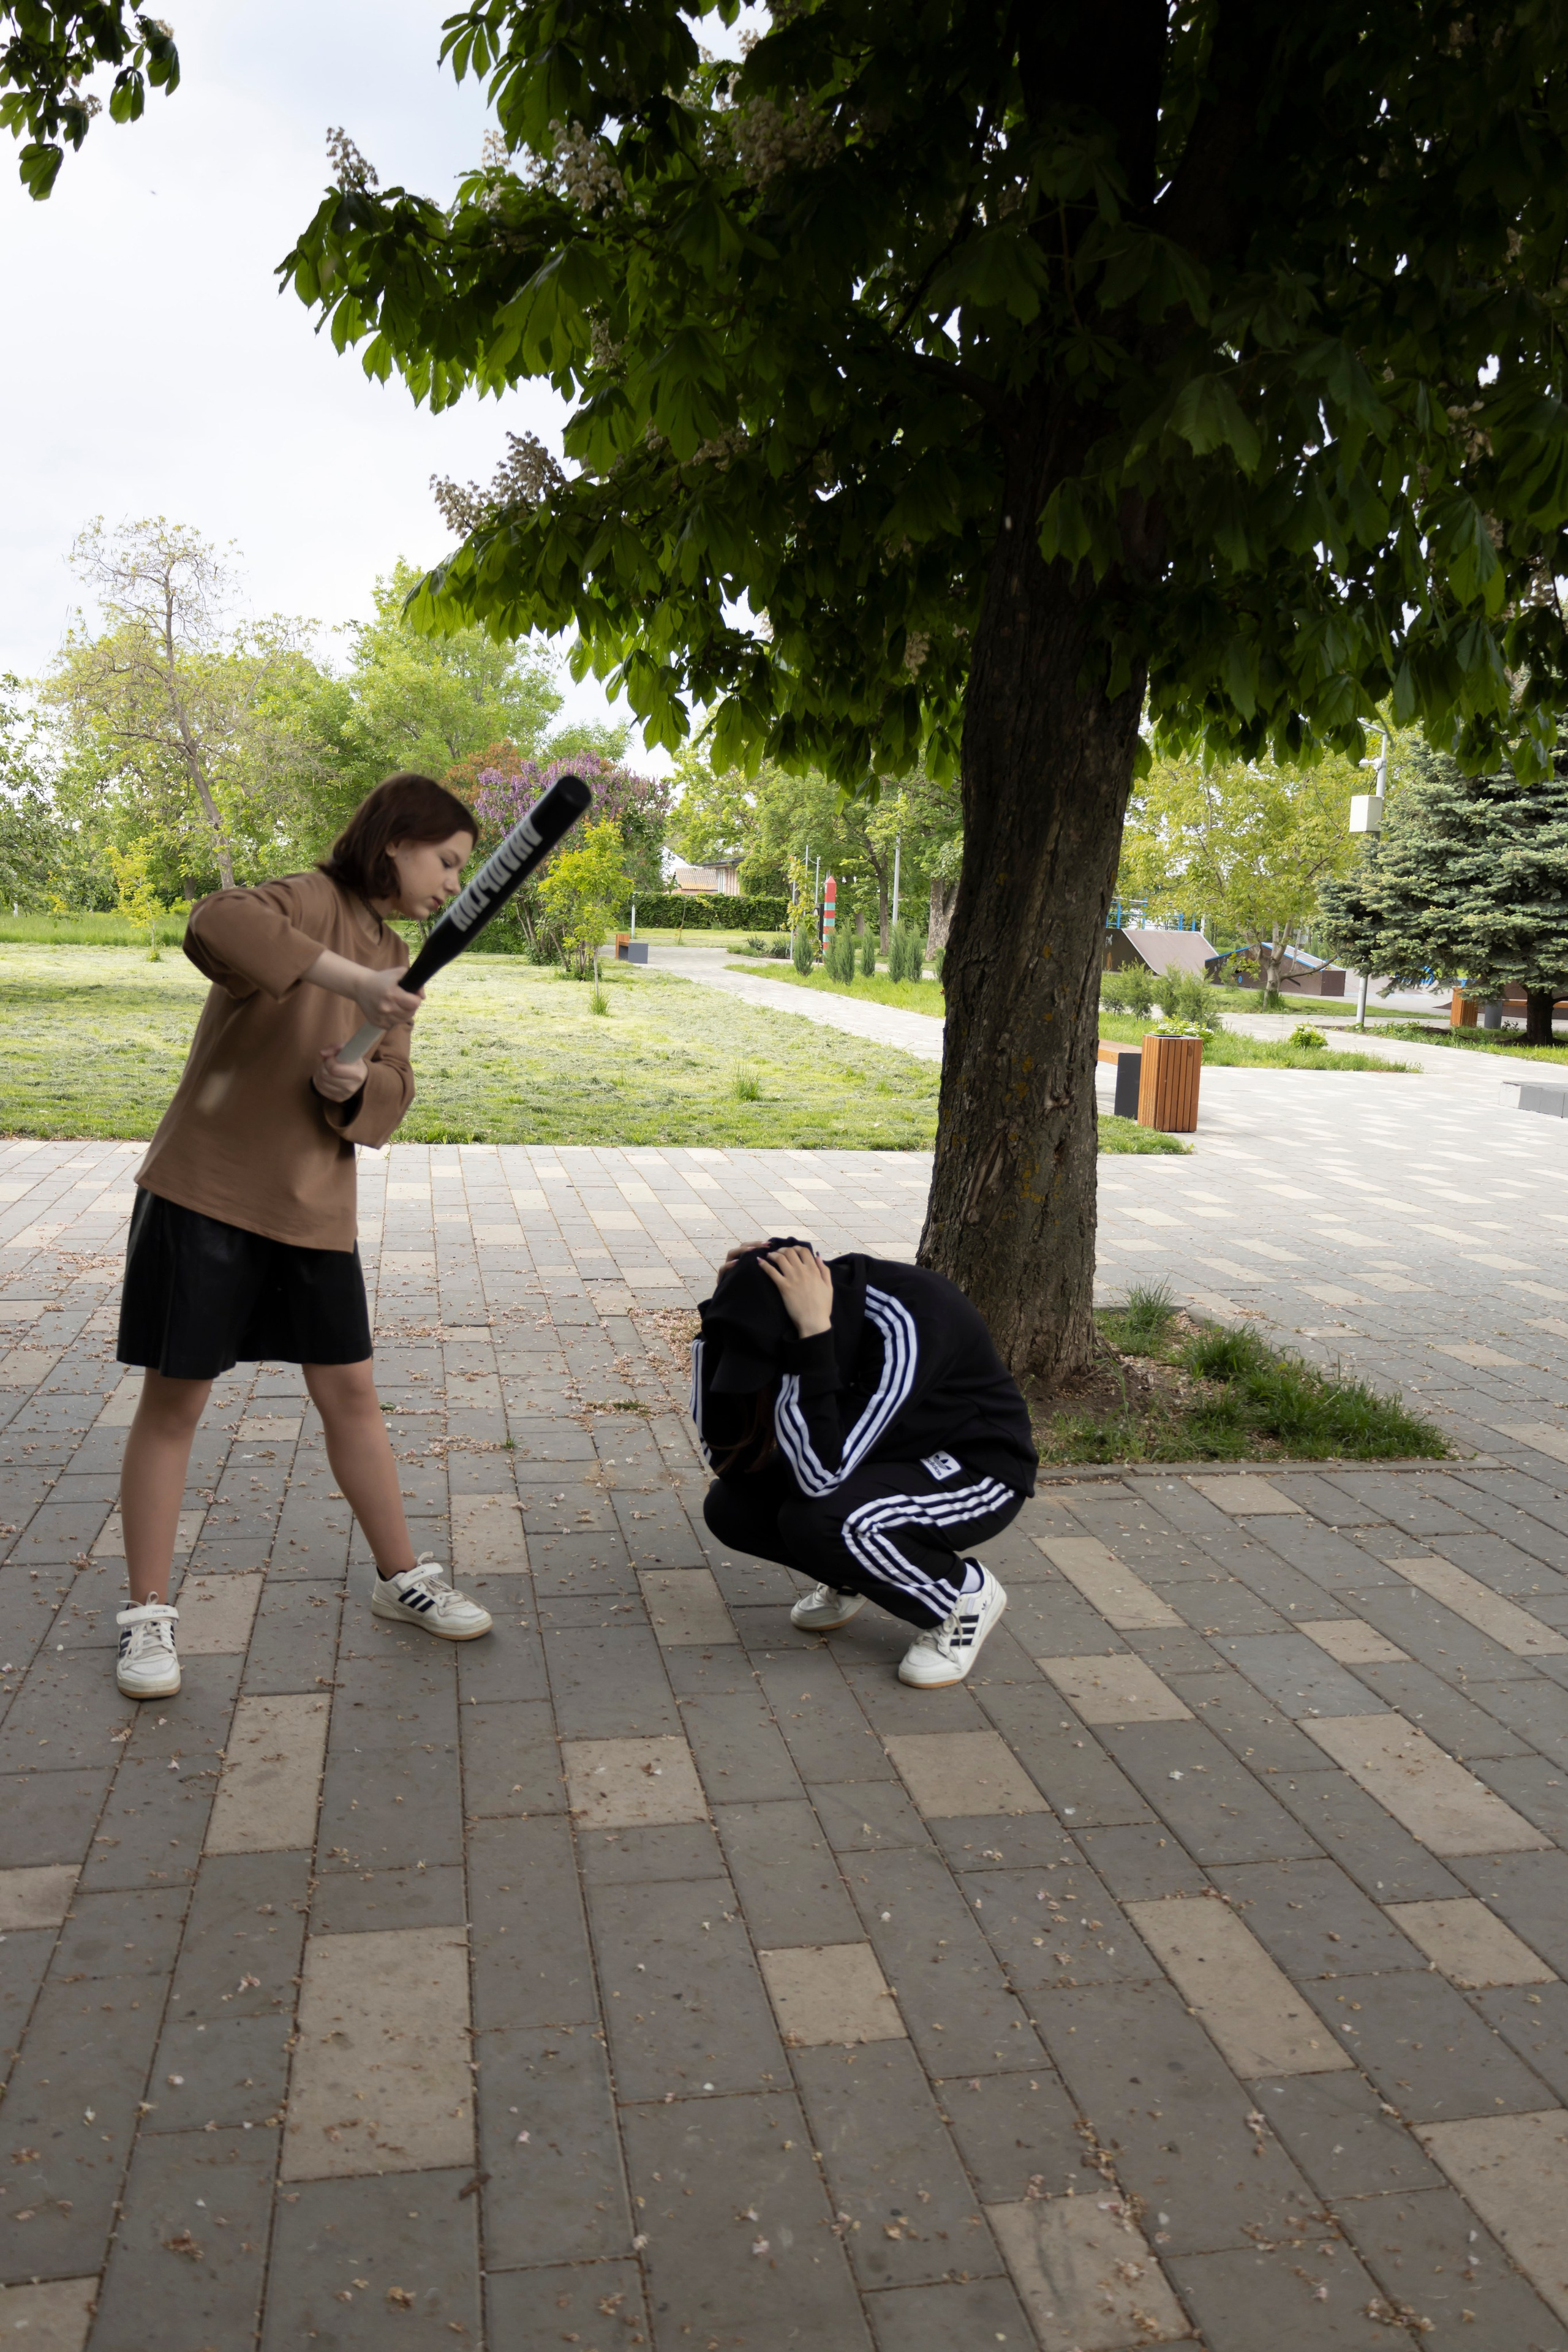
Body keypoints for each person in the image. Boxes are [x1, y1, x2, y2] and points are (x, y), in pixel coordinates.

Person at [111, 774, 496, 1699]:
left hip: (312, 1207)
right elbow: (218, 922)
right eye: (445, 860)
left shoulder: (403, 953)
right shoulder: (308, 900)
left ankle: (401, 1577)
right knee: (177, 1405)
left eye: (462, 869)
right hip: (206, 1191)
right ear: (397, 840)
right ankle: (148, 1617)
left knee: (353, 1397)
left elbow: (395, 1085)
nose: (452, 881)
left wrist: (353, 1089)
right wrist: (353, 981)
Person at [693, 1238, 1037, 1686]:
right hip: (873, 1456)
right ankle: (857, 1573)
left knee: (827, 1522)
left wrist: (812, 1338)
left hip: (975, 1470)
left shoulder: (909, 1317)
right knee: (732, 1508)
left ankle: (960, 1597)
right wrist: (717, 1331)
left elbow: (818, 1479)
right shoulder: (777, 1319)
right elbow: (729, 1459)